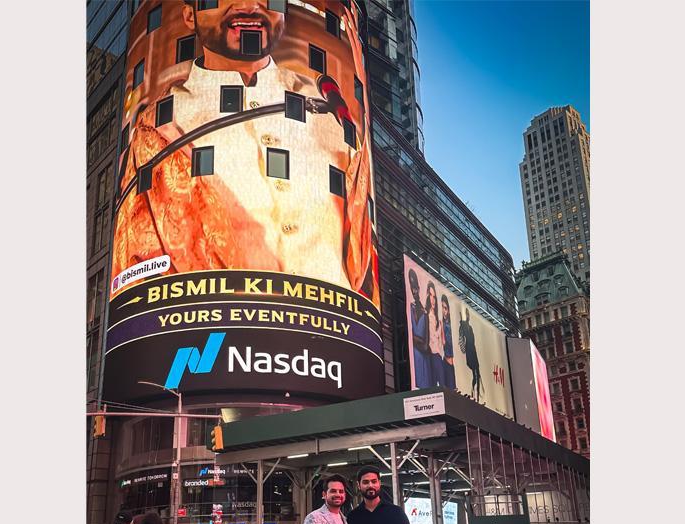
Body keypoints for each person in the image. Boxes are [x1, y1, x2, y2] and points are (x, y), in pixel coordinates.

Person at [112, 0, 378, 305]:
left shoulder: (329, 109)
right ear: (189, 15)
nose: (250, 5)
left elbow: (361, 258)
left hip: (331, 337)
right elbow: (134, 271)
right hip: (213, 338)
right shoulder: (158, 127)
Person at [408, 270, 431, 387]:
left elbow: (425, 346)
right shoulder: (409, 309)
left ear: (418, 287)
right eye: (411, 287)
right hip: (412, 364)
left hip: (423, 365)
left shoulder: (425, 314)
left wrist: (411, 337)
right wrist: (418, 340)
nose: (413, 291)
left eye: (415, 287)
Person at [458, 307, 481, 402]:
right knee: (475, 374)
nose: (467, 316)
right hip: (470, 354)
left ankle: (476, 396)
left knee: (477, 375)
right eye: (466, 314)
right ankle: (474, 395)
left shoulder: (469, 327)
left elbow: (472, 341)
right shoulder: (462, 327)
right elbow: (461, 342)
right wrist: (464, 348)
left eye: (468, 314)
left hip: (473, 353)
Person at [426, 283, 445, 388]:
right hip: (433, 354)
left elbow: (442, 342)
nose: (433, 299)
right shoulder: (429, 316)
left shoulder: (435, 316)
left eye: (434, 297)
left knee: (440, 386)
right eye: (430, 295)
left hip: (437, 354)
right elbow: (433, 337)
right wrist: (439, 329)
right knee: (438, 386)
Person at [440, 298, 457, 391]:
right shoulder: (442, 324)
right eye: (442, 307)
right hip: (445, 361)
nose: (443, 311)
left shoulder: (449, 325)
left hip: (450, 363)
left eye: (445, 308)